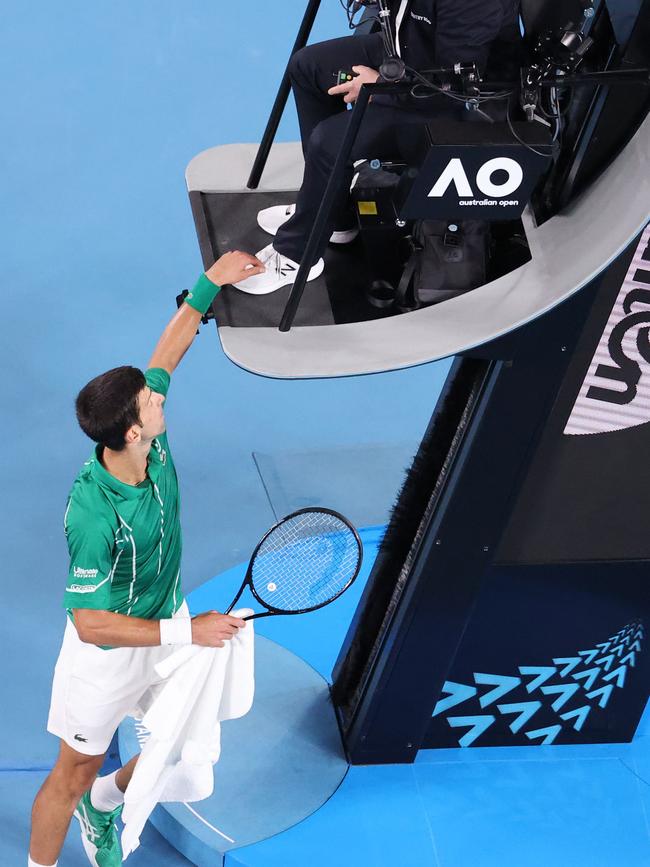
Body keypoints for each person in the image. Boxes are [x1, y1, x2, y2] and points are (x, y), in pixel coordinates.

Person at [28, 249, 265, 867]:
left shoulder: (144, 441)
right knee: (70, 773)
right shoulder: (93, 514)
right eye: (149, 403)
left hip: (167, 626)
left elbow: (165, 357)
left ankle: (105, 803)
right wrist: (190, 629)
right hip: (106, 655)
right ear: (132, 431)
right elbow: (89, 622)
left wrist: (208, 284)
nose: (160, 399)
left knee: (189, 762)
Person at [234, 0, 521, 295]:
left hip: (457, 104)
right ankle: (334, 216)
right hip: (412, 53)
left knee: (329, 142)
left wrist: (381, 85)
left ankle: (298, 254)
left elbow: (453, 88)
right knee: (308, 67)